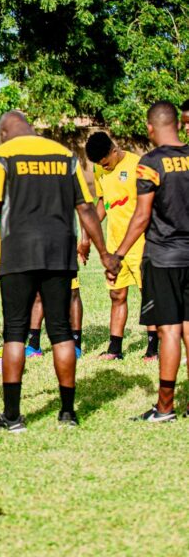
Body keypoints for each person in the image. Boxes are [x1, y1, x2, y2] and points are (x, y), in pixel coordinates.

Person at [0, 110, 110, 431]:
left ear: (4, 133)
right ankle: (68, 413)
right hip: (60, 253)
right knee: (60, 332)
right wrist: (105, 254)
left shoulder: (1, 156)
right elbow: (85, 207)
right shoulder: (64, 155)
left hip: (17, 253)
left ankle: (13, 416)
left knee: (15, 332)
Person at [103, 102, 189, 422]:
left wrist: (118, 254)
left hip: (164, 258)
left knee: (169, 331)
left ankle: (165, 407)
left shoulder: (149, 162)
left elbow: (141, 217)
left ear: (150, 128)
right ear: (177, 125)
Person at [85, 131, 158, 361]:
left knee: (148, 296)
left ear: (114, 151)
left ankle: (153, 349)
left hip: (141, 244)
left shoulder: (138, 166)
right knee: (117, 295)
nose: (103, 168)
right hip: (114, 245)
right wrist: (87, 235)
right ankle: (115, 349)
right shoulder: (99, 170)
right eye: (99, 165)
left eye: (105, 163)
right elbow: (103, 203)